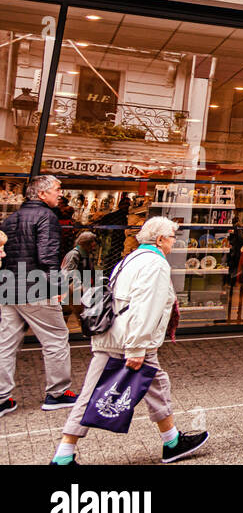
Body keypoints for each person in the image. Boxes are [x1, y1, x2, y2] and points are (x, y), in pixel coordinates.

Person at [53, 216, 210, 465]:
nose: (173, 243)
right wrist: (137, 347)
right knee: (92, 394)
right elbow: (146, 306)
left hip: (122, 336)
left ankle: (172, 441)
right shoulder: (155, 264)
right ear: (159, 240)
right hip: (128, 341)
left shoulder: (132, 257)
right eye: (172, 238)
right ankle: (63, 456)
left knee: (157, 386)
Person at [0, 175, 77, 417]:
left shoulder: (10, 219)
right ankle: (57, 393)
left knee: (5, 344)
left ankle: (2, 398)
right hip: (35, 288)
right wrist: (57, 287)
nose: (59, 194)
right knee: (55, 339)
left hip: (8, 288)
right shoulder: (47, 217)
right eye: (56, 189)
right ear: (42, 194)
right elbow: (47, 256)